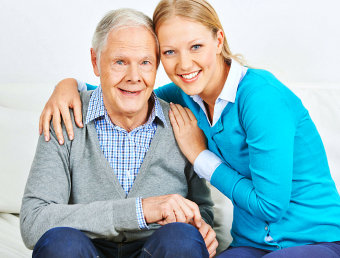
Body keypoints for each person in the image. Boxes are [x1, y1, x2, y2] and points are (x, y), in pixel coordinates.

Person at [38, 0, 340, 257]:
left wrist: (199, 156)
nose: (184, 64)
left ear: (218, 40)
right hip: (251, 246)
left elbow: (269, 207)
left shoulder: (261, 98)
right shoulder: (186, 95)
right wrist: (69, 86)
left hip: (315, 240)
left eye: (196, 46)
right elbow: (126, 92)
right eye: (169, 52)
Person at [20, 8, 219, 258]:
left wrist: (203, 228)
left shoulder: (180, 122)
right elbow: (33, 222)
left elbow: (202, 209)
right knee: (61, 243)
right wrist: (139, 211)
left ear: (156, 64)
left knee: (183, 239)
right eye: (120, 62)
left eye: (145, 62)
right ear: (95, 61)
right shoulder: (64, 116)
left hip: (156, 249)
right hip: (85, 249)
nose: (134, 77)